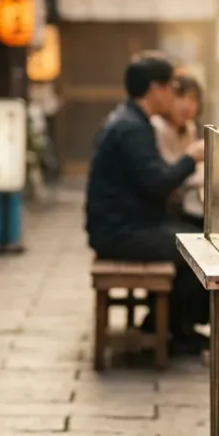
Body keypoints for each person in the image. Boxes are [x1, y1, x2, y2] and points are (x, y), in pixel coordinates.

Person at [86, 52, 209, 353]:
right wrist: (190, 158)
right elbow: (156, 184)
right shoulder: (132, 127)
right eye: (170, 87)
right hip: (121, 232)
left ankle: (166, 321)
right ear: (156, 89)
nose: (173, 94)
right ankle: (171, 328)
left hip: (129, 224)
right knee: (201, 249)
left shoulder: (132, 120)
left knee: (203, 235)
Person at [151, 74, 205, 228]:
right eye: (181, 97)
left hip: (181, 205)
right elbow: (168, 175)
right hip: (161, 211)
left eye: (193, 99)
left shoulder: (189, 127)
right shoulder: (156, 126)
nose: (187, 105)